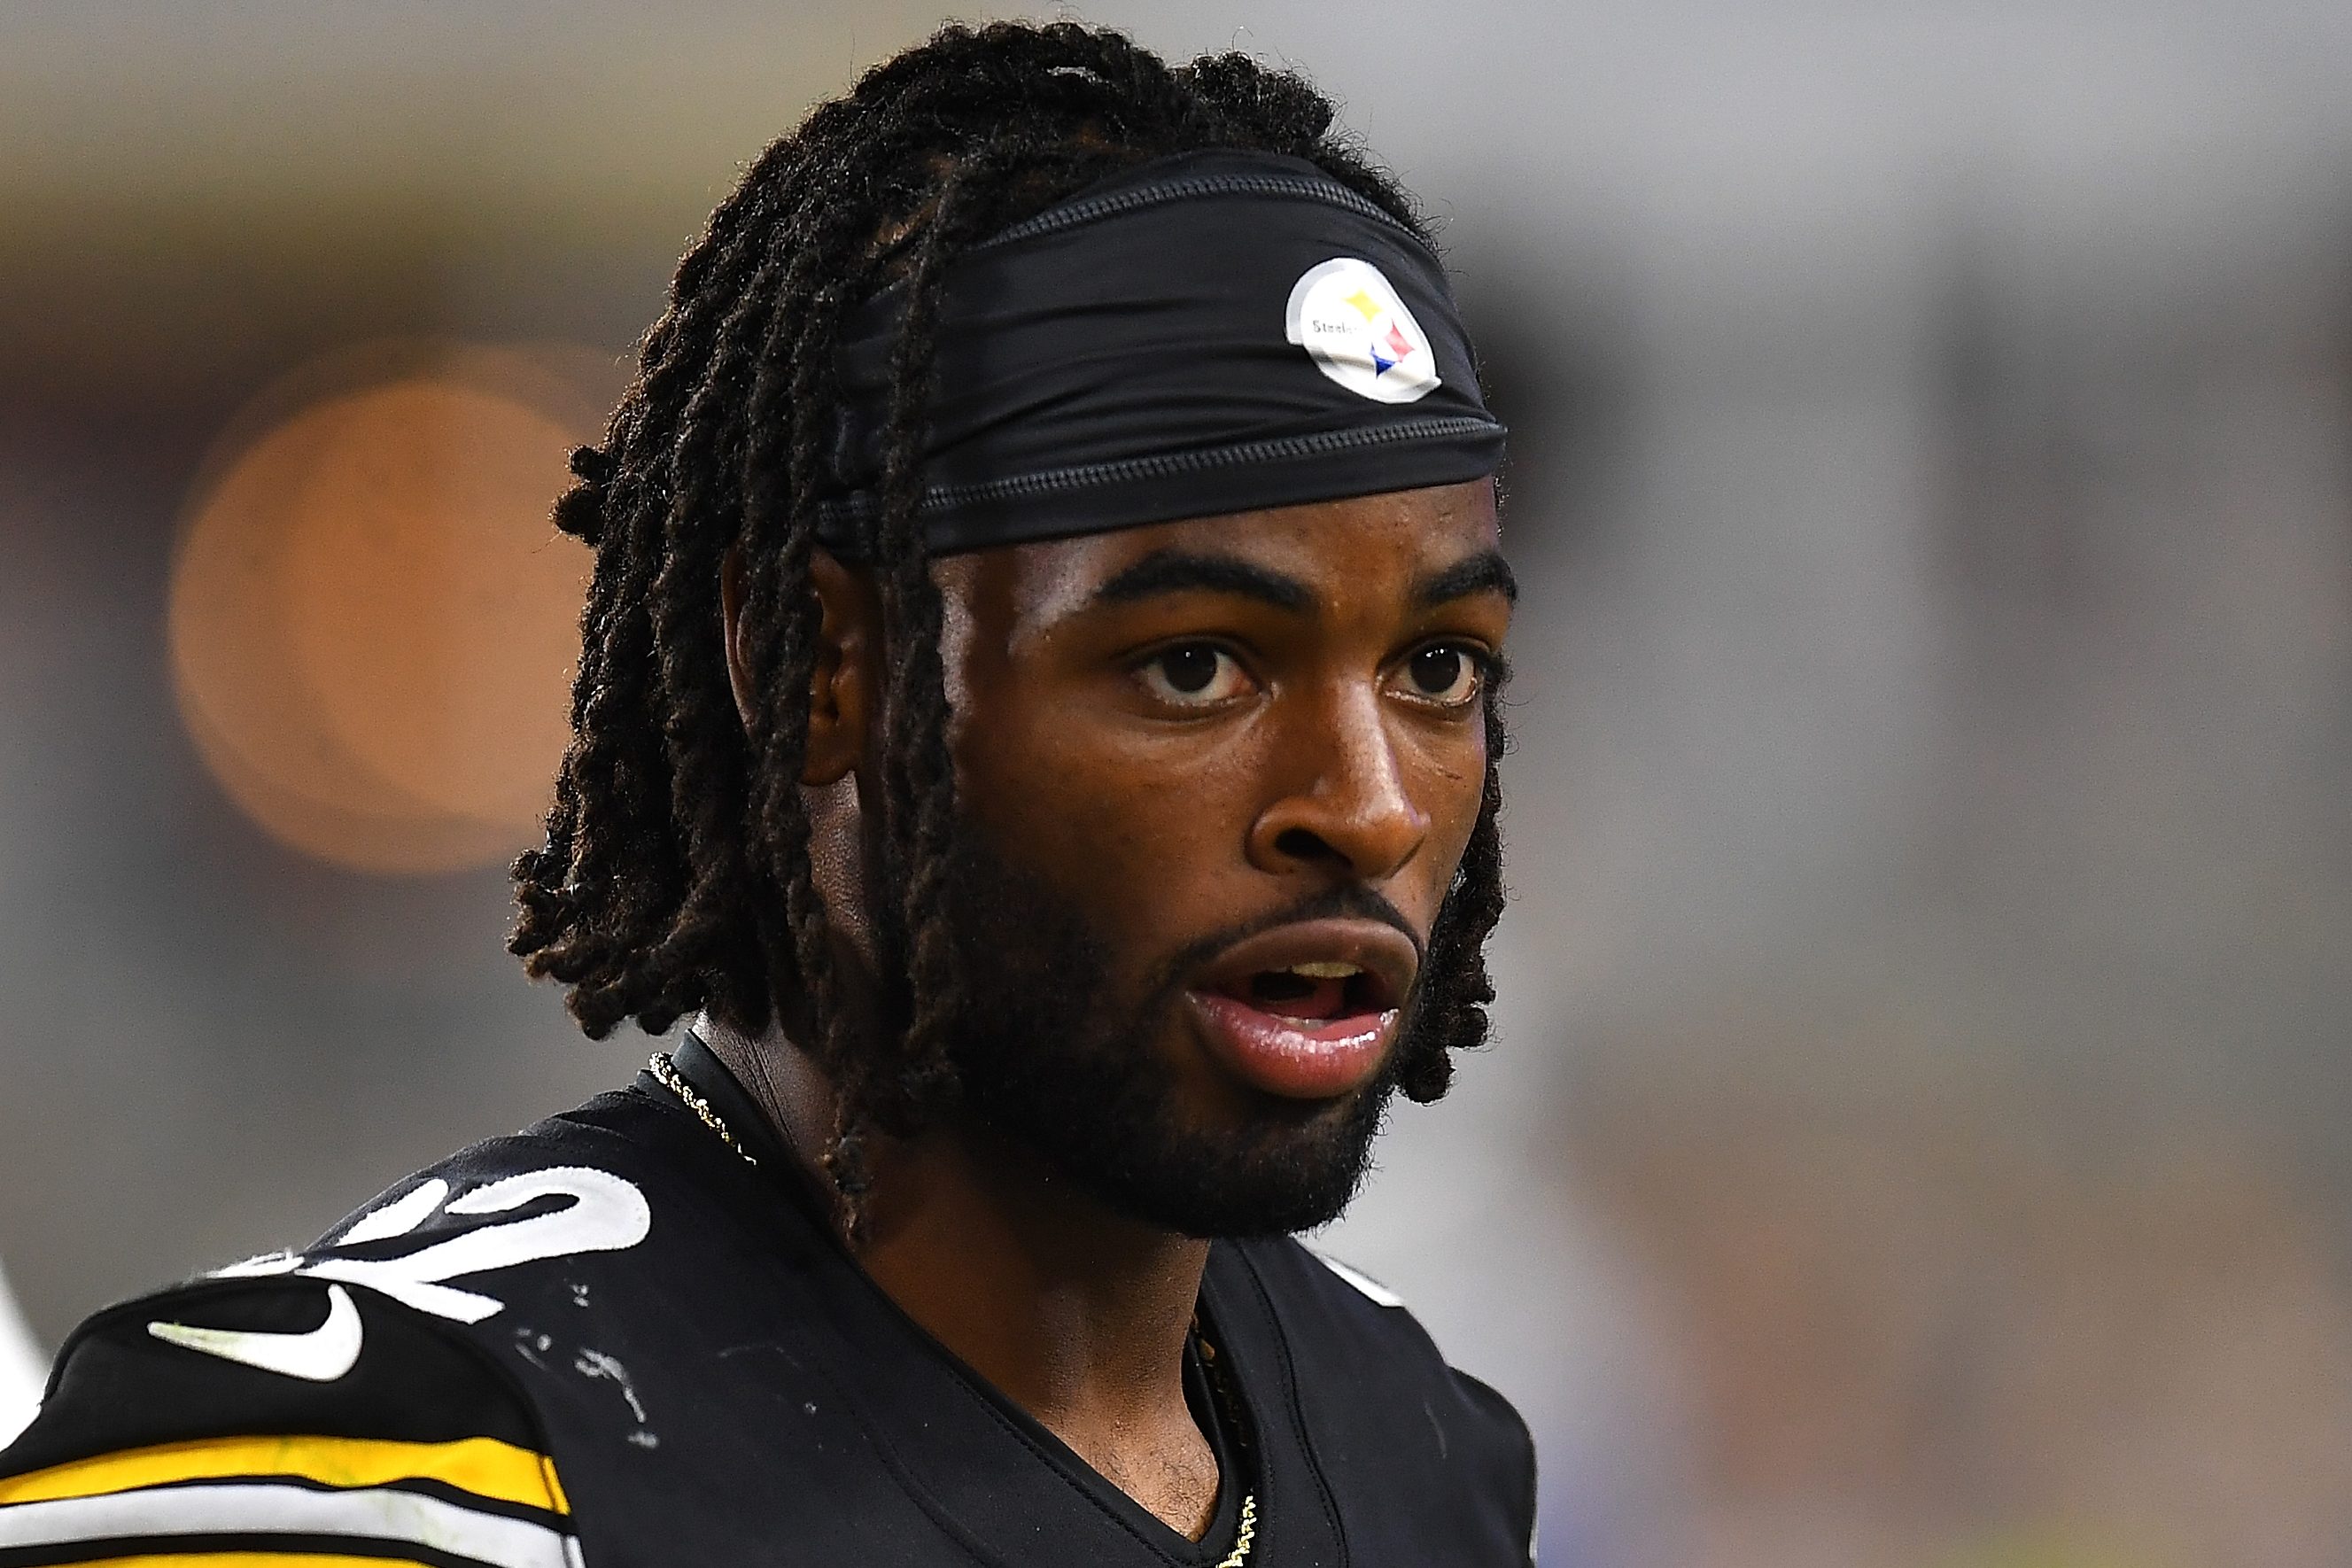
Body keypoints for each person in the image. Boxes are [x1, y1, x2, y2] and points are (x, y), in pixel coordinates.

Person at [0, 21, 1533, 1566]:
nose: (1371, 804)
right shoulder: (389, 1469)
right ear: (819, 668)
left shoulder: (1421, 1448)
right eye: (1196, 665)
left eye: (1439, 668)